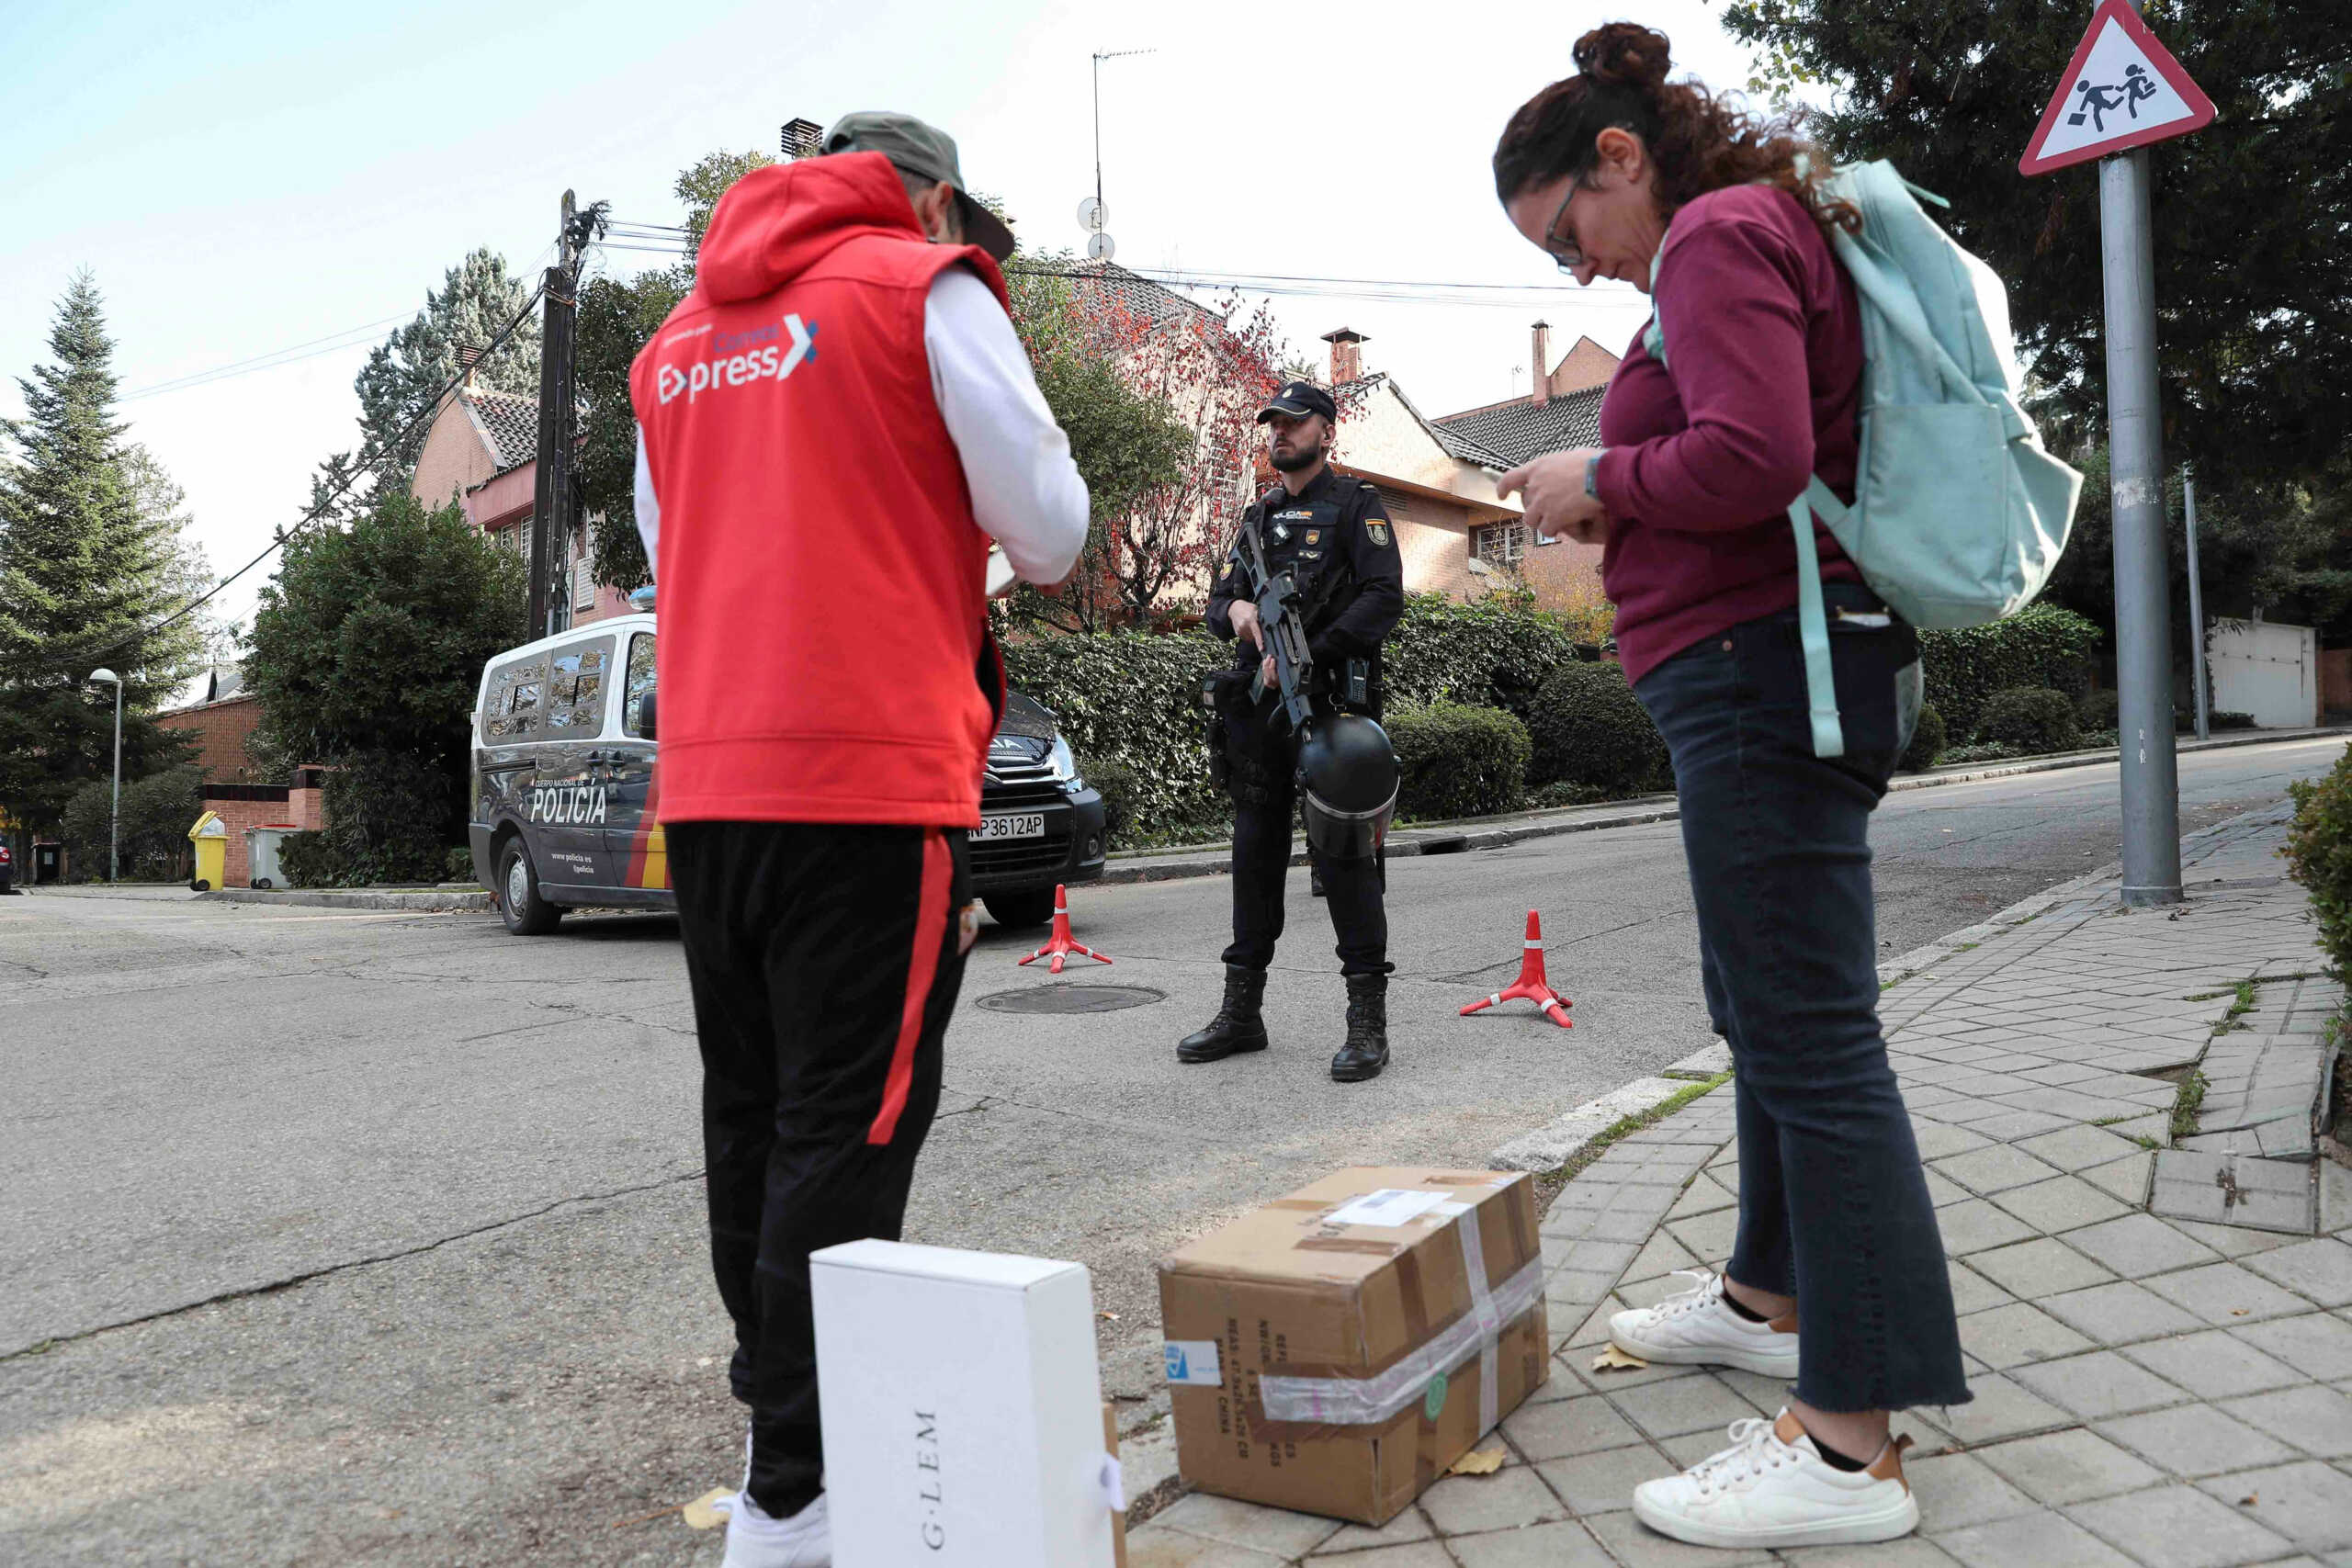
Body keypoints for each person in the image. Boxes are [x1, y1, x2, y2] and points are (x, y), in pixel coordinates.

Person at [1489, 24, 1968, 1551]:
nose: (1577, 269)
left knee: (1815, 1041)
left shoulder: (1714, 232)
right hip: (1769, 669)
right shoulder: (1744, 230)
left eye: (1568, 232)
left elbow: (1752, 454)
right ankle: (1770, 1298)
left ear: (1619, 161)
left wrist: (1596, 482)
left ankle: (1847, 1448)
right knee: (1765, 1011)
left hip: (1774, 671)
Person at [628, 112, 1087, 1568]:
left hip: (709, 788)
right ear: (936, 195)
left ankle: (780, 1432)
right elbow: (1056, 526)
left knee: (749, 1116)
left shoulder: (674, 346)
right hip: (868, 779)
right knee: (849, 1123)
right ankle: (794, 1493)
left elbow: (671, 545)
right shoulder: (924, 285)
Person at [1182, 381, 1404, 1082]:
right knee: (1255, 854)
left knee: (1344, 860)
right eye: (1273, 423)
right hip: (1259, 711)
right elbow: (1218, 604)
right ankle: (1242, 1013)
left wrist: (1310, 654)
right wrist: (1243, 615)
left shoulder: (1357, 507)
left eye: (1294, 422)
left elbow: (1383, 598)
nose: (1280, 433)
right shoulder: (1258, 517)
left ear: (1326, 433)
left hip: (1331, 707)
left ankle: (1367, 1023)